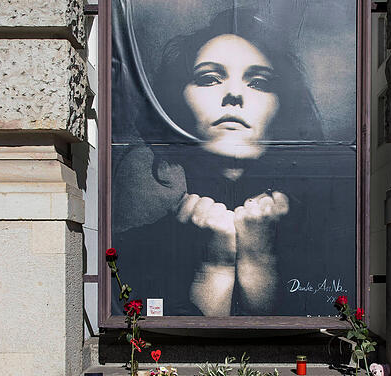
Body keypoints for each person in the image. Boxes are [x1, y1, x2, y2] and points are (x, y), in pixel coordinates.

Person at [112, 7, 355, 317]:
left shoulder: (334, 246)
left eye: (258, 82)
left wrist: (259, 262)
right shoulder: (129, 253)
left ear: (283, 110)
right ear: (176, 106)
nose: (234, 94)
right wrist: (213, 268)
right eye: (210, 78)